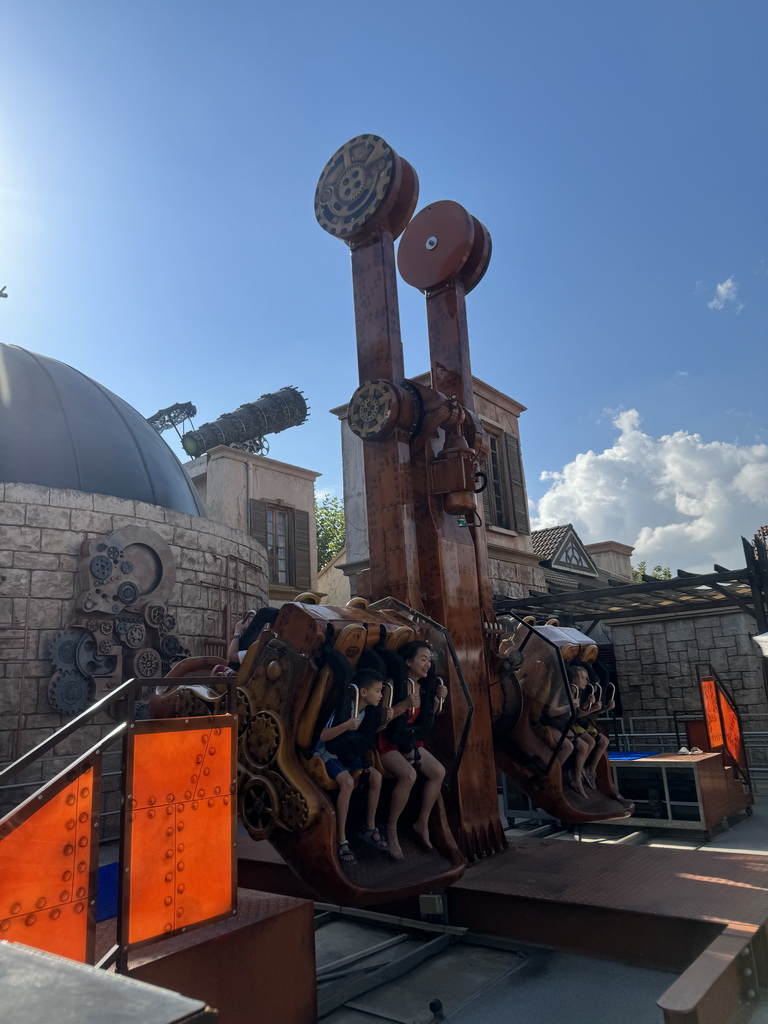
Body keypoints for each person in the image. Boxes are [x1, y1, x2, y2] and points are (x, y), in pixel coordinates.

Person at [378, 641, 448, 861]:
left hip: (408, 741)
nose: (427, 664)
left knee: (438, 772)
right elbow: (381, 720)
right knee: (409, 775)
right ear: (408, 662)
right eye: (422, 659)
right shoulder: (393, 686)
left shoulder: (423, 687)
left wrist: (439, 699)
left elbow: (428, 715)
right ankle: (391, 830)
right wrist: (405, 704)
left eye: (429, 660)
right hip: (386, 742)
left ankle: (422, 823)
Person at [314, 668, 392, 867]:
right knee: (347, 782)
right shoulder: (345, 709)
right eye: (377, 691)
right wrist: (346, 725)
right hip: (326, 754)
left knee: (376, 777)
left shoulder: (366, 711)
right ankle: (341, 838)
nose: (381, 695)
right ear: (363, 692)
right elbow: (324, 736)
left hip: (347, 754)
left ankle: (370, 826)